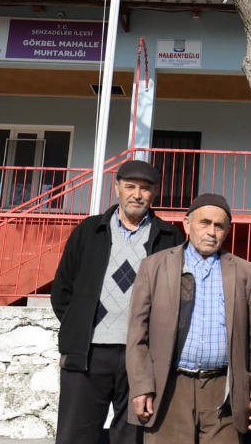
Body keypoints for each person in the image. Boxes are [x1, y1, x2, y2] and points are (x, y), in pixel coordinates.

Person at [50, 159, 184, 444]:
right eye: (130, 187)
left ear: (154, 193)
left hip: (141, 355)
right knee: (76, 436)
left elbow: (177, 298)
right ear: (117, 189)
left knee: (133, 436)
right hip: (88, 353)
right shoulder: (89, 231)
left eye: (145, 189)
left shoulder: (170, 237)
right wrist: (80, 324)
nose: (137, 194)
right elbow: (62, 290)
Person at [126, 193, 251, 443]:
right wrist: (141, 386)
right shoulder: (154, 267)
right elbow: (137, 334)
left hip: (224, 391)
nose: (211, 232)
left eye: (219, 226)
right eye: (204, 223)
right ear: (187, 224)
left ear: (227, 231)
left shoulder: (246, 273)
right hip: (169, 387)